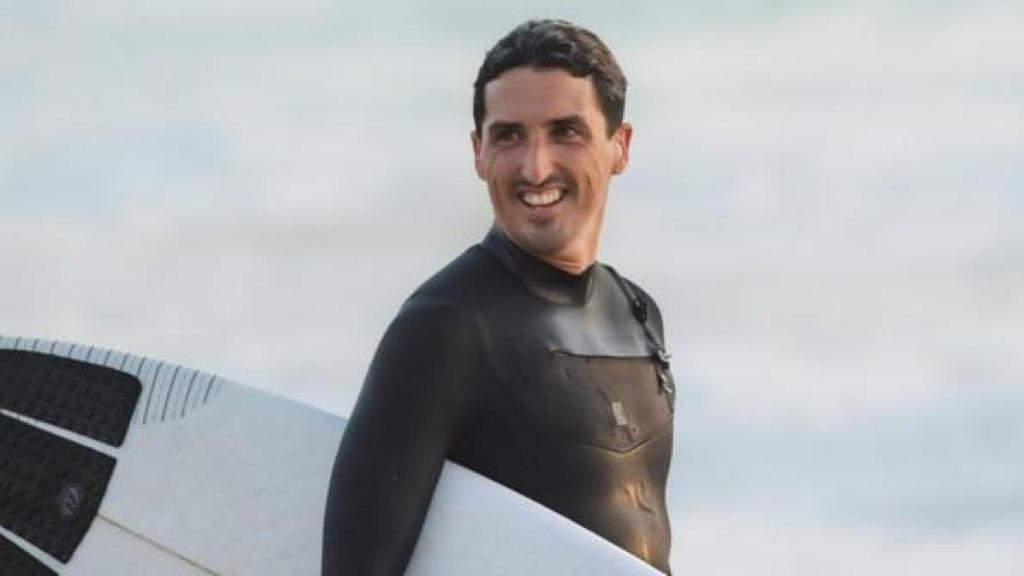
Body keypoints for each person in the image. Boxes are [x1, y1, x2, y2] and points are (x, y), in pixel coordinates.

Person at [322, 19, 675, 575]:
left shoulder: (637, 314)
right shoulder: (447, 327)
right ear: (479, 152)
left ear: (620, 146)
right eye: (509, 135)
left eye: (566, 132)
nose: (536, 167)